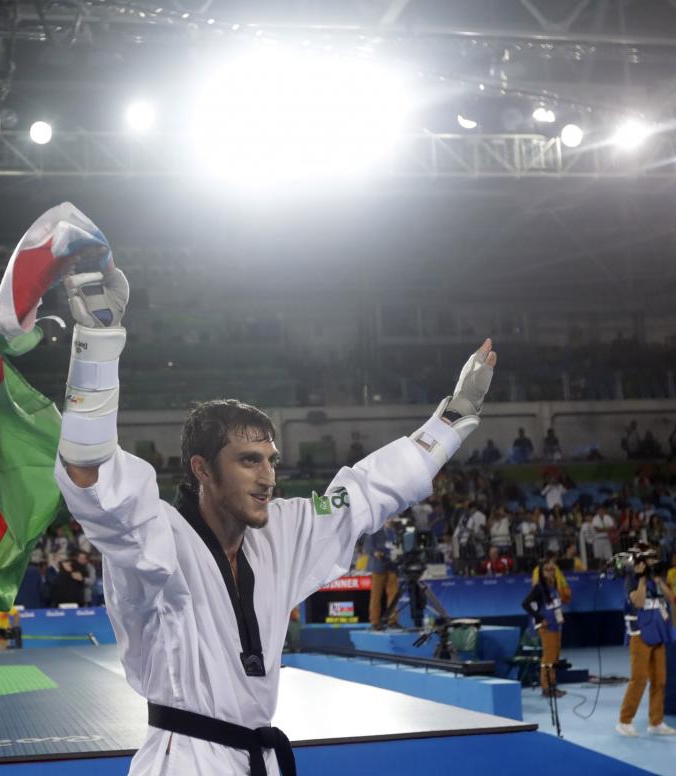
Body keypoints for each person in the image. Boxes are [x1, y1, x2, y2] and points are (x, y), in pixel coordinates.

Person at [52, 260, 497, 774]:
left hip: (256, 757)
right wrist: (97, 344)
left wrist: (451, 421)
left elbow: (367, 492)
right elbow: (90, 478)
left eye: (271, 461)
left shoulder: (279, 532)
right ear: (202, 469)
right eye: (248, 461)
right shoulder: (155, 538)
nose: (267, 477)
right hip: (186, 761)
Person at [616, 545, 676, 736]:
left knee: (660, 679)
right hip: (640, 635)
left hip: (658, 634)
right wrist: (642, 578)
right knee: (639, 678)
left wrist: (658, 580)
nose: (654, 562)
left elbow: (671, 598)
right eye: (650, 559)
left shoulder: (655, 580)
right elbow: (639, 602)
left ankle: (656, 722)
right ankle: (624, 721)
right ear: (642, 562)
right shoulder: (631, 580)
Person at [522, 558, 568, 697]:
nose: (551, 572)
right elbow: (525, 604)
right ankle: (546, 687)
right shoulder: (539, 588)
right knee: (548, 657)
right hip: (546, 627)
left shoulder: (553, 587)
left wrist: (560, 617)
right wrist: (539, 618)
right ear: (541, 572)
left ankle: (553, 685)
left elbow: (555, 606)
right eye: (547, 570)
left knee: (554, 657)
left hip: (556, 626)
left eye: (552, 570)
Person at [366, 522, 399, 629]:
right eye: (388, 517)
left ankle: (392, 621)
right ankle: (375, 622)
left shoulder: (393, 532)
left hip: (392, 566)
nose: (390, 520)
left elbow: (398, 546)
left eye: (391, 518)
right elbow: (368, 548)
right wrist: (376, 553)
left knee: (393, 595)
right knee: (376, 595)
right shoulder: (373, 531)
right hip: (378, 566)